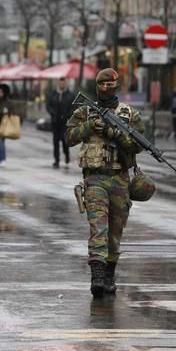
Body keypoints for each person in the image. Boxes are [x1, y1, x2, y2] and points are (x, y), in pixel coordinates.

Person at [66, 68, 144, 298]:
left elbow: (138, 145)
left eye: (111, 87)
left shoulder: (129, 115)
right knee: (98, 228)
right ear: (97, 87)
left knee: (115, 232)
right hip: (95, 178)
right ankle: (97, 277)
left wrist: (117, 134)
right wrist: (90, 127)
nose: (106, 91)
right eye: (103, 86)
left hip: (120, 179)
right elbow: (69, 137)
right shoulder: (85, 112)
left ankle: (109, 275)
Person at [46, 77, 75, 168]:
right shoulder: (52, 94)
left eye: (63, 83)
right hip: (55, 122)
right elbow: (48, 105)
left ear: (65, 83)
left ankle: (66, 156)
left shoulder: (70, 95)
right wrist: (52, 113)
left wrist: (67, 116)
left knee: (64, 140)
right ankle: (56, 160)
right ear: (58, 83)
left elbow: (73, 107)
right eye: (60, 83)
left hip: (65, 122)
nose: (62, 84)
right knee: (55, 141)